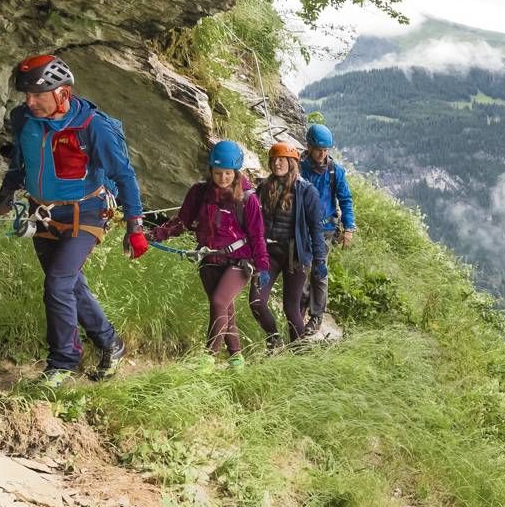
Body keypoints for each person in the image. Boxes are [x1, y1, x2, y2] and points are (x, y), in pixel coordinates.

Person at [0, 54, 148, 387]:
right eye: (26, 94)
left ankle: (63, 363)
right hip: (42, 213)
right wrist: (4, 197)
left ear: (64, 94)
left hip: (87, 212)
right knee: (68, 284)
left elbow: (124, 175)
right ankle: (111, 343)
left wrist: (135, 226)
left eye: (38, 95)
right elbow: (19, 164)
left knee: (57, 283)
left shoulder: (93, 126)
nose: (30, 101)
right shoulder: (23, 119)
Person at [151, 140, 270, 366]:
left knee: (218, 302)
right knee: (225, 309)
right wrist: (155, 234)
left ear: (236, 172)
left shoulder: (247, 198)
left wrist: (262, 267)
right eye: (217, 173)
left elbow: (257, 234)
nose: (223, 178)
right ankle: (237, 361)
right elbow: (181, 222)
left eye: (227, 173)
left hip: (239, 260)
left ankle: (209, 357)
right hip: (209, 259)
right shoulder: (199, 193)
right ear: (210, 171)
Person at [247, 141, 329, 350]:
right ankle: (274, 338)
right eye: (273, 160)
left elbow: (316, 230)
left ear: (292, 163)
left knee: (291, 308)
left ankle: (299, 353)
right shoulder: (264, 187)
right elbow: (252, 220)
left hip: (295, 256)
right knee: (256, 302)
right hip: (268, 256)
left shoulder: (306, 191)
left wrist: (319, 261)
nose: (277, 164)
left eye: (281, 160)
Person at [301, 122, 355, 333]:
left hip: (324, 229)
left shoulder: (335, 172)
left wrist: (348, 228)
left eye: (325, 150)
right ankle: (299, 309)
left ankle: (316, 317)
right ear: (309, 147)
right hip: (301, 228)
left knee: (319, 271)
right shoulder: (298, 168)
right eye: (319, 150)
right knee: (301, 270)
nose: (322, 154)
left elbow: (345, 200)